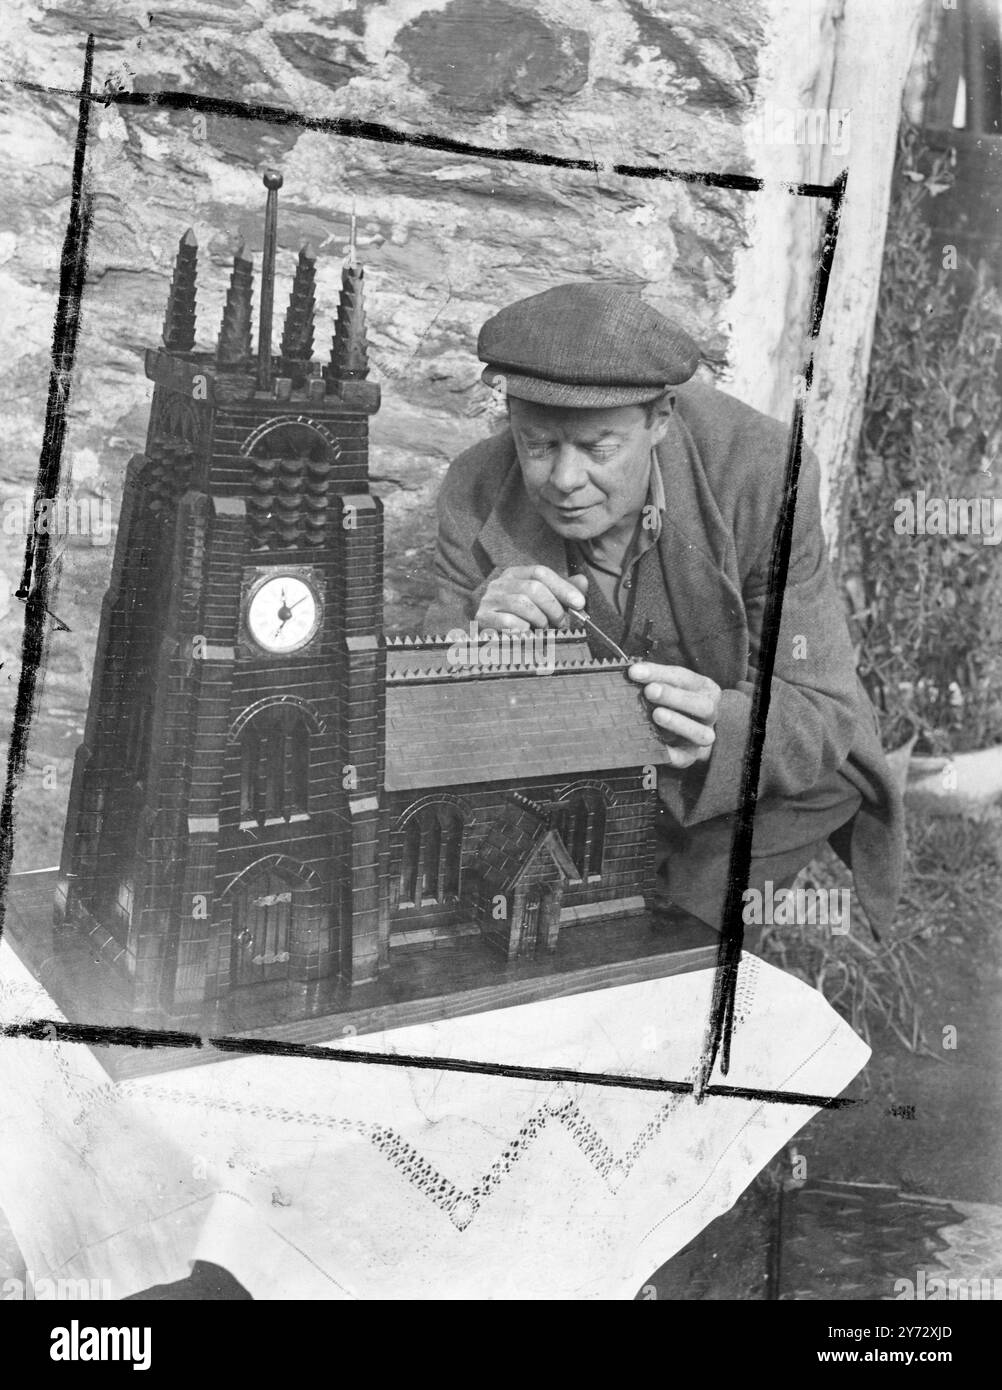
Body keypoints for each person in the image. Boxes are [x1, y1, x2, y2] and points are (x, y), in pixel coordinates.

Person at [424, 282, 904, 943]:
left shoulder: (766, 476)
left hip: (733, 785)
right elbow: (422, 693)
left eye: (597, 449)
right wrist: (477, 637)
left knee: (675, 940)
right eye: (537, 445)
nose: (564, 480)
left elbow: (823, 708)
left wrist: (723, 725)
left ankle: (687, 932)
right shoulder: (474, 489)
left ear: (662, 419)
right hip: (584, 776)